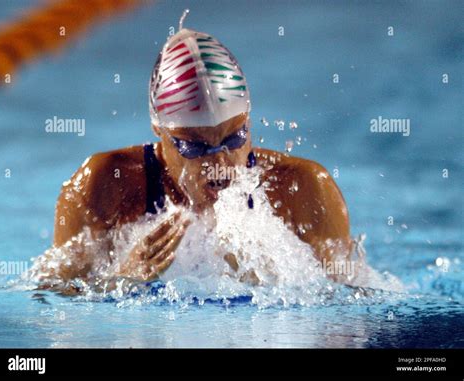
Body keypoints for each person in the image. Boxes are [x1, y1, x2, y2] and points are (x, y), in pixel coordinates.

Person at [39, 17, 352, 286]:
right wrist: (123, 279)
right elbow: (51, 300)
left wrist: (278, 280)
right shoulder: (104, 185)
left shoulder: (304, 188)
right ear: (159, 130)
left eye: (234, 138)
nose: (219, 163)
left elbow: (353, 302)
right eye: (195, 146)